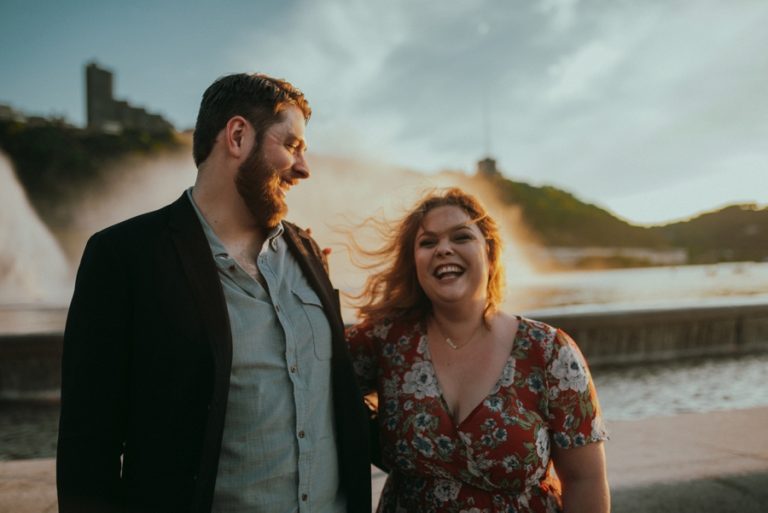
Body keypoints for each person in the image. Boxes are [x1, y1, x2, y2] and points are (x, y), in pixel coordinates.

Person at [57, 73, 371, 513]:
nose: (305, 168)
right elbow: (88, 444)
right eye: (293, 146)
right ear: (238, 136)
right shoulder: (124, 255)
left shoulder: (309, 252)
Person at [346, 188, 609, 513]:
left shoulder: (549, 352)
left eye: (461, 237)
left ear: (490, 251)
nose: (443, 249)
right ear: (414, 262)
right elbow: (308, 373)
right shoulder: (385, 342)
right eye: (428, 243)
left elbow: (585, 480)